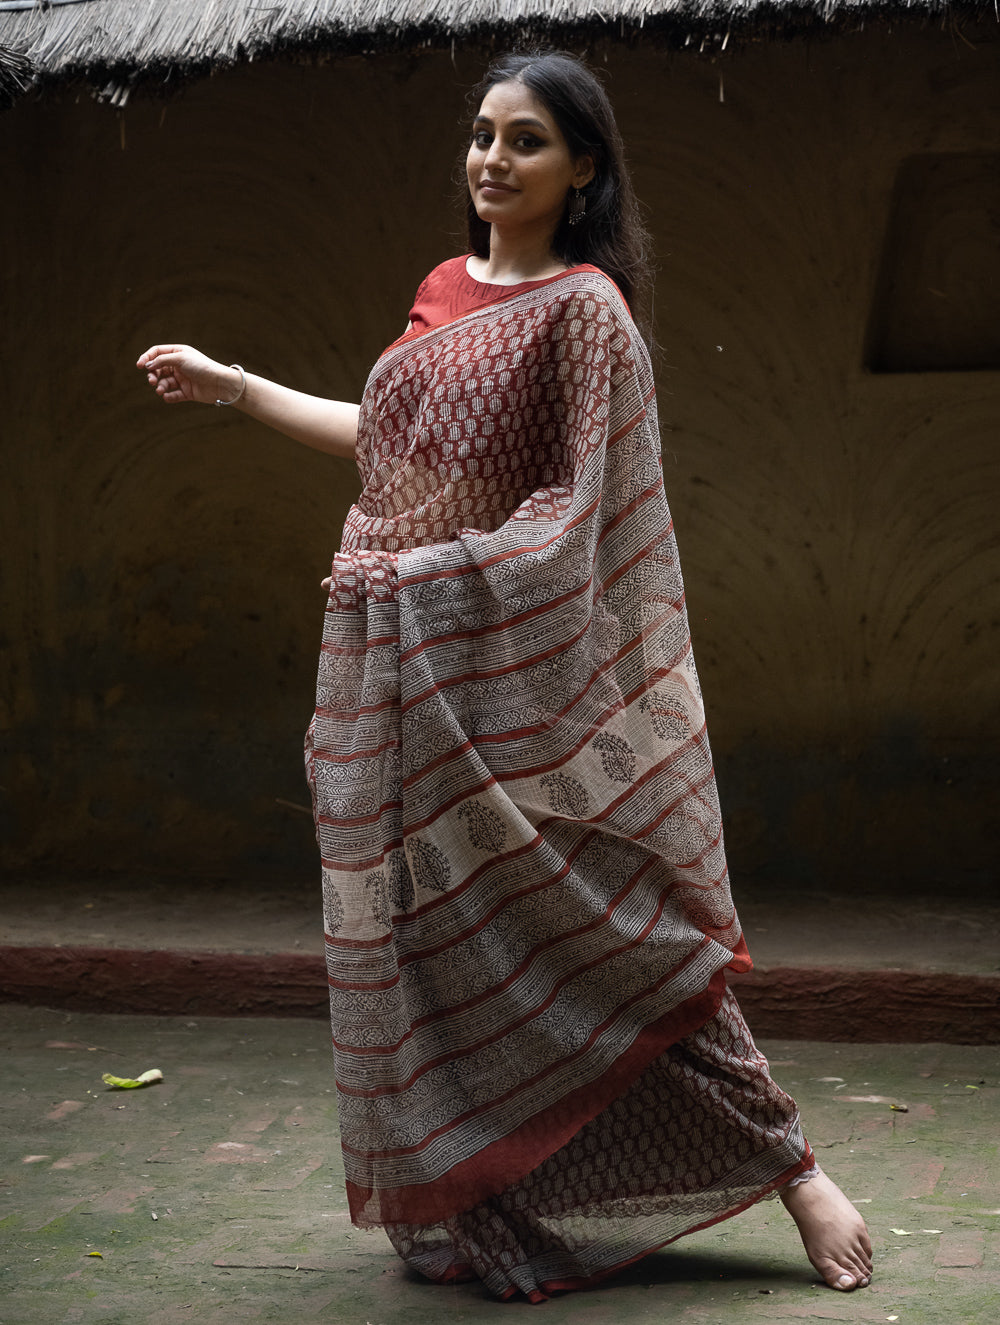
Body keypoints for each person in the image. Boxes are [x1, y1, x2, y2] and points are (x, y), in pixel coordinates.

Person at [137, 49, 872, 1304]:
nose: (491, 159)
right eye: (481, 134)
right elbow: (390, 446)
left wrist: (417, 579)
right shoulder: (438, 287)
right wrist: (235, 387)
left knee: (605, 930)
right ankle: (487, 1192)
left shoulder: (588, 311)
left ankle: (792, 1165)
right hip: (402, 685)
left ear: (582, 167)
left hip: (508, 685)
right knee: (436, 943)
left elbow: (575, 508)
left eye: (525, 140)